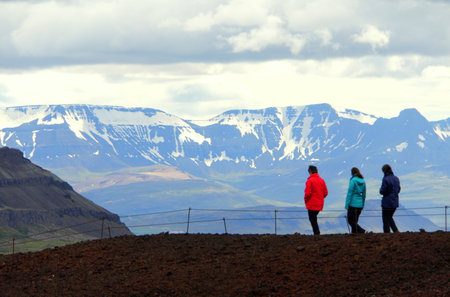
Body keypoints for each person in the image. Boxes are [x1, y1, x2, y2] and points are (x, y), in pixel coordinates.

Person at [304, 165, 328, 235]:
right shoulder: (322, 180)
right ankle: (317, 233)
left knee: (312, 219)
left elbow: (307, 193)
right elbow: (325, 193)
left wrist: (306, 201)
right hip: (319, 204)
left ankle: (317, 234)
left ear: (310, 172)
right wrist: (320, 198)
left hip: (311, 204)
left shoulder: (310, 181)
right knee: (314, 219)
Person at [380, 164, 401, 233]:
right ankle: (396, 231)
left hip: (387, 202)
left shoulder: (385, 179)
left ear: (384, 171)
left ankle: (387, 233)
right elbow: (399, 189)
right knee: (389, 217)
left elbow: (382, 191)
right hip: (395, 201)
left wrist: (381, 190)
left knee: (385, 218)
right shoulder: (396, 178)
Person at [345, 167, 366, 234]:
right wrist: (362, 203)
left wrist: (347, 204)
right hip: (359, 204)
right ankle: (354, 234)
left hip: (352, 204)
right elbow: (364, 194)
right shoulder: (363, 181)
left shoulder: (353, 181)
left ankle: (361, 231)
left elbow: (349, 193)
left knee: (350, 221)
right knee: (355, 221)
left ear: (352, 173)